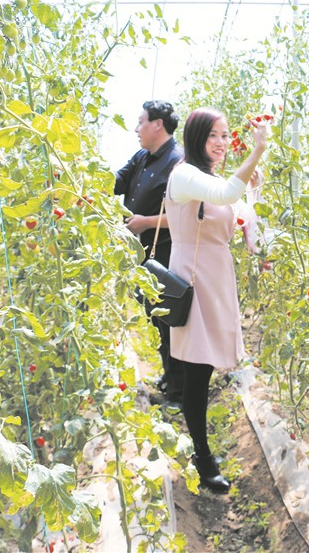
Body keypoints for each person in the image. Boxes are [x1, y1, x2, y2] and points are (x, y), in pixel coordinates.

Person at [165, 107, 268, 493]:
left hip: (215, 277)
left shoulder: (209, 178)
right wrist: (257, 150)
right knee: (197, 369)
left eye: (225, 135)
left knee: (203, 367)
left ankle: (201, 452)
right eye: (213, 135)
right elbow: (226, 194)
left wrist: (253, 190)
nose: (222, 143)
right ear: (196, 137)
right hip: (193, 278)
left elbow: (244, 222)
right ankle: (202, 457)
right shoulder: (184, 175)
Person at [114, 100, 184, 406]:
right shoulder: (141, 156)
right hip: (145, 253)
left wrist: (146, 222)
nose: (136, 128)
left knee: (171, 320)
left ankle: (179, 394)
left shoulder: (179, 162)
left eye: (141, 121)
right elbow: (116, 182)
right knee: (157, 317)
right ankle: (170, 378)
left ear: (158, 124)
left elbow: (189, 215)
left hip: (169, 253)